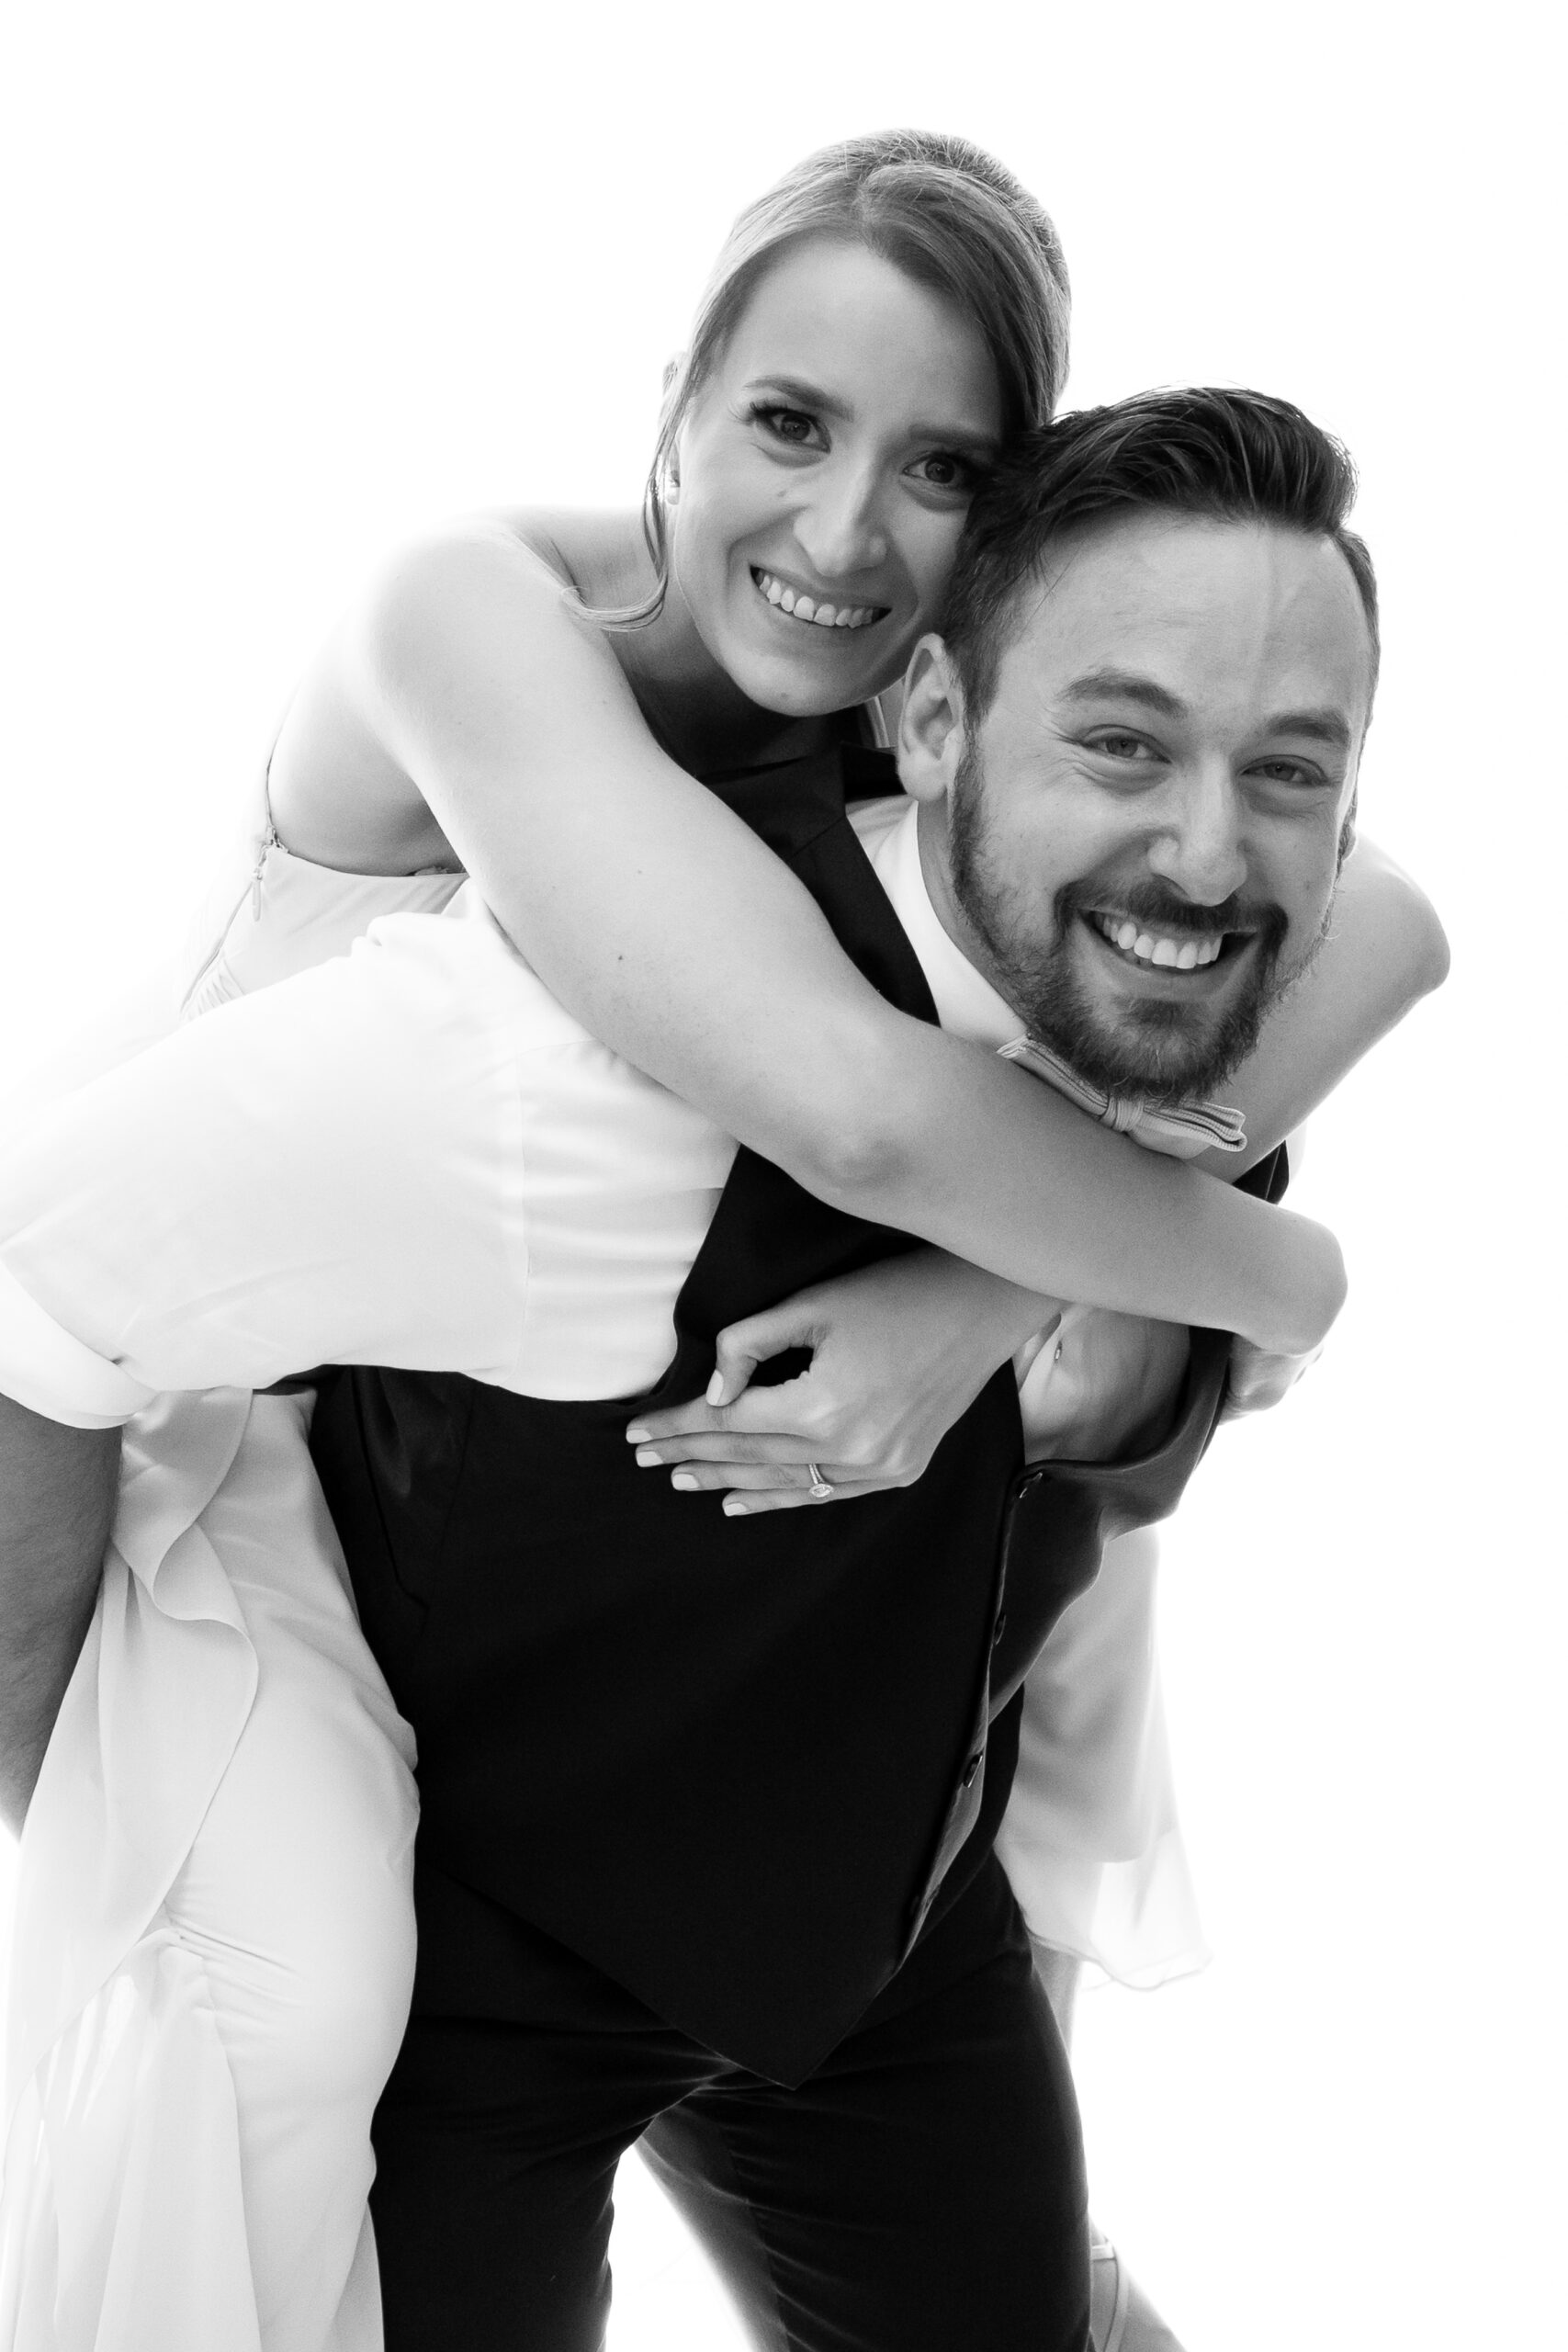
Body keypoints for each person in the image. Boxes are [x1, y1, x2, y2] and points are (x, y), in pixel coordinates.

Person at [0, 386, 1440, 2351]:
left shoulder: (1182, 1011)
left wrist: (999, 1295)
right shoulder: (536, 1079)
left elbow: (1159, 1374)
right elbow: (30, 1292)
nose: (1206, 845)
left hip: (883, 1929)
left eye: (1289, 768)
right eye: (1116, 740)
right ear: (928, 720)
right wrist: (56, 1814)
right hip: (484, 1949)